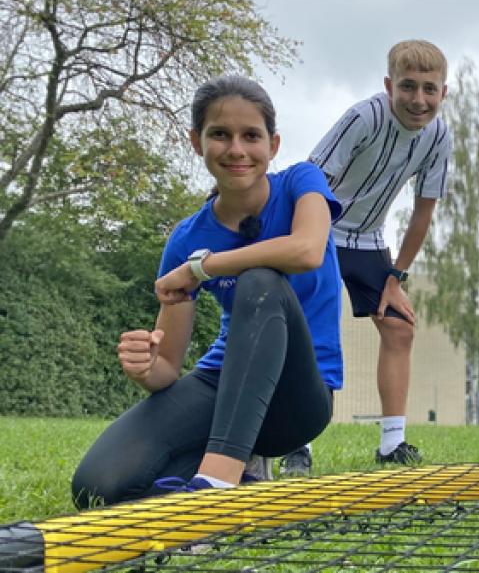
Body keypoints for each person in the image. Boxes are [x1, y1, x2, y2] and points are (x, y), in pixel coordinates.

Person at [71, 75, 343, 506]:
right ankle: (242, 485)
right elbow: (168, 371)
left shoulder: (301, 183)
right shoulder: (186, 238)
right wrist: (146, 365)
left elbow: (307, 250)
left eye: (251, 136)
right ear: (197, 142)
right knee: (98, 488)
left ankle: (216, 483)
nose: (236, 149)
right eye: (220, 134)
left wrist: (203, 267)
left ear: (272, 145)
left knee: (261, 281)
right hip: (223, 381)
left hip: (297, 399)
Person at [289, 39, 451, 470]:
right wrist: (307, 244)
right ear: (388, 85)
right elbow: (310, 180)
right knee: (310, 334)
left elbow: (422, 212)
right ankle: (296, 443)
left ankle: (391, 445)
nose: (419, 100)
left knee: (399, 327)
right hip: (320, 227)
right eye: (408, 87)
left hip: (368, 238)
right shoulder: (363, 117)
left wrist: (397, 275)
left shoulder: (439, 135)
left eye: (429, 89)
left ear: (443, 93)